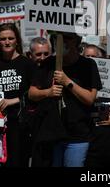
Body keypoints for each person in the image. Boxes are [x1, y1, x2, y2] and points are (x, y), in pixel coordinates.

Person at [29, 32, 101, 167]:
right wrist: (48, 92)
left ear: (77, 41)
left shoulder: (88, 65)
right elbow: (32, 93)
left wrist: (67, 82)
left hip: (77, 136)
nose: (62, 41)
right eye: (58, 38)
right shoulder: (48, 63)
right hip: (52, 135)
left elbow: (90, 99)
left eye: (67, 38)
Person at [0, 23, 36, 167]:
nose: (7, 42)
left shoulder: (27, 64)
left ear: (17, 40)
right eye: (3, 39)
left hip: (20, 125)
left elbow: (35, 92)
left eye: (10, 38)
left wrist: (12, 101)